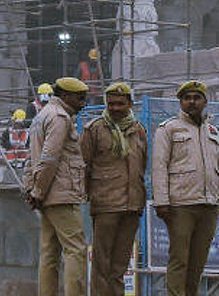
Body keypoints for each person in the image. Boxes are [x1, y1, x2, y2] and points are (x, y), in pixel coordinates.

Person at [153, 80, 219, 296]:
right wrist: (162, 202)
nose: (192, 102)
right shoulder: (168, 129)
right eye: (187, 98)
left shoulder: (212, 131)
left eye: (196, 98)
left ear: (205, 101)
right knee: (179, 259)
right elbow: (159, 166)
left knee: (198, 263)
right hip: (180, 205)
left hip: (208, 206)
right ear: (180, 103)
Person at [80, 82, 147, 296]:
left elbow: (141, 165)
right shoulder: (95, 130)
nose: (116, 108)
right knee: (101, 264)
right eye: (111, 104)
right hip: (105, 205)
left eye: (120, 103)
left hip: (132, 206)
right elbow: (84, 166)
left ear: (130, 103)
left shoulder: (139, 131)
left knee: (120, 266)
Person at [25, 76, 89, 296]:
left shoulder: (41, 117)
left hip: (45, 195)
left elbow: (30, 159)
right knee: (76, 250)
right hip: (61, 194)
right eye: (79, 99)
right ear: (64, 96)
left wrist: (32, 191)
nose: (83, 104)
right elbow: (49, 158)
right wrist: (38, 191)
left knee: (49, 253)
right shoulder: (60, 118)